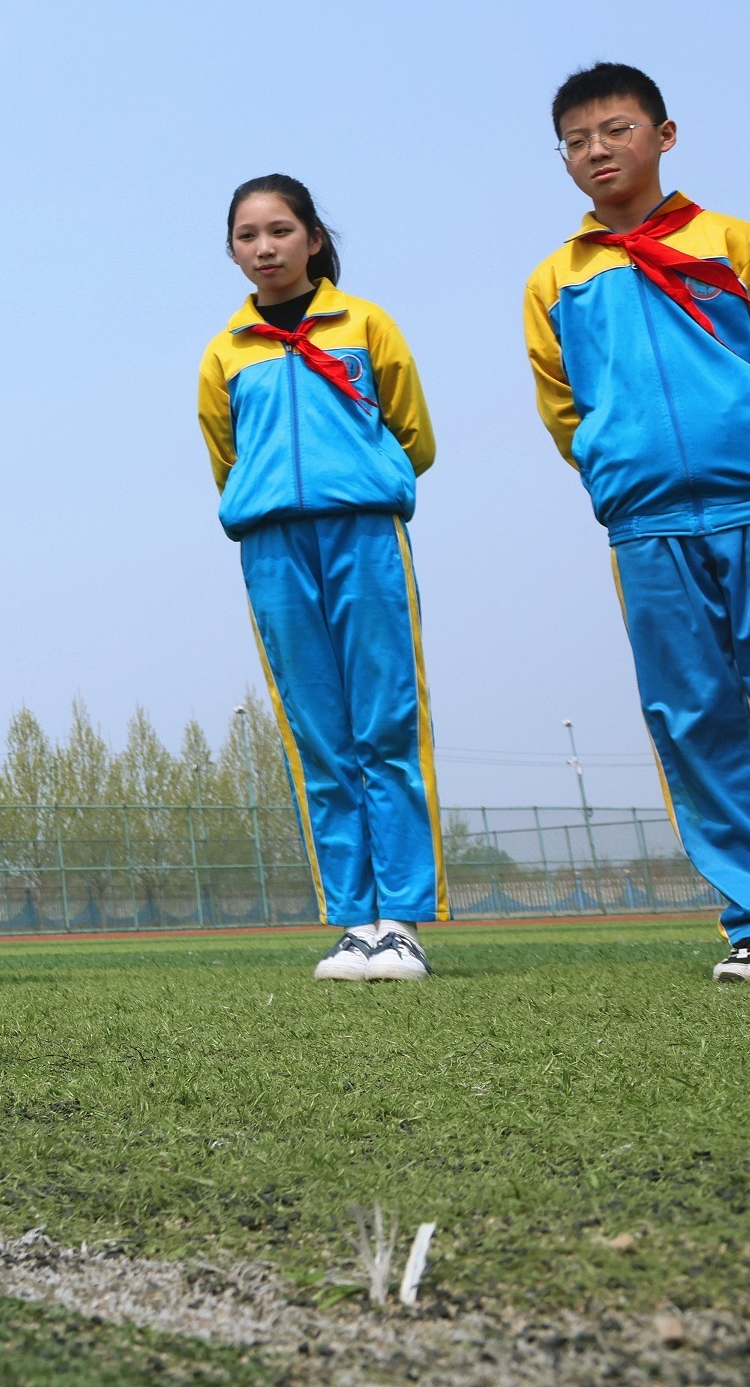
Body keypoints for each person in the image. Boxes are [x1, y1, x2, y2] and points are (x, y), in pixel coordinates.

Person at [526, 62, 750, 985]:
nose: (598, 151)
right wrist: (616, 459)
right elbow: (565, 408)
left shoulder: (734, 241)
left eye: (617, 130)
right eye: (577, 140)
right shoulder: (558, 279)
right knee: (693, 718)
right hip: (647, 527)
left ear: (664, 135)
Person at [198, 179, 443, 983]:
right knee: (320, 738)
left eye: (279, 230)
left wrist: (358, 478)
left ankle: (401, 921)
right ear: (232, 250)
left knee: (385, 726)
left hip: (364, 535)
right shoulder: (226, 351)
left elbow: (413, 433)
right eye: (247, 235)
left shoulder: (366, 325)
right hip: (272, 547)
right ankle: (353, 923)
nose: (264, 247)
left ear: (312, 236)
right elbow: (225, 456)